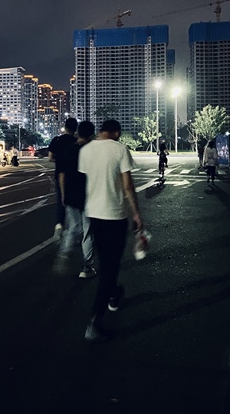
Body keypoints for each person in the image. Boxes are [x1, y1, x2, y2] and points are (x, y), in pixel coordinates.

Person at [78, 119, 142, 342]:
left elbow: (86, 180)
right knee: (109, 269)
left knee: (107, 264)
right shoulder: (120, 149)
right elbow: (128, 186)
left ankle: (114, 293)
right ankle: (94, 321)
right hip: (114, 216)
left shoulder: (85, 151)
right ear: (116, 132)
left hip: (93, 214)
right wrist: (136, 214)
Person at [53, 120, 96, 278]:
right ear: (91, 135)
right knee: (87, 232)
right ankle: (87, 267)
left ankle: (64, 252)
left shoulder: (69, 150)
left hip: (70, 195)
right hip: (88, 196)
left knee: (73, 227)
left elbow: (62, 175)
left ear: (78, 132)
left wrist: (63, 195)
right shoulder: (91, 151)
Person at [48, 117, 78, 237]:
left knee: (60, 200)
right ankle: (72, 227)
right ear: (75, 129)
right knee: (73, 201)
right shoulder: (76, 142)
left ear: (65, 127)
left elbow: (50, 157)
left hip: (59, 173)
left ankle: (59, 225)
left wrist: (60, 160)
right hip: (74, 175)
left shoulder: (57, 140)